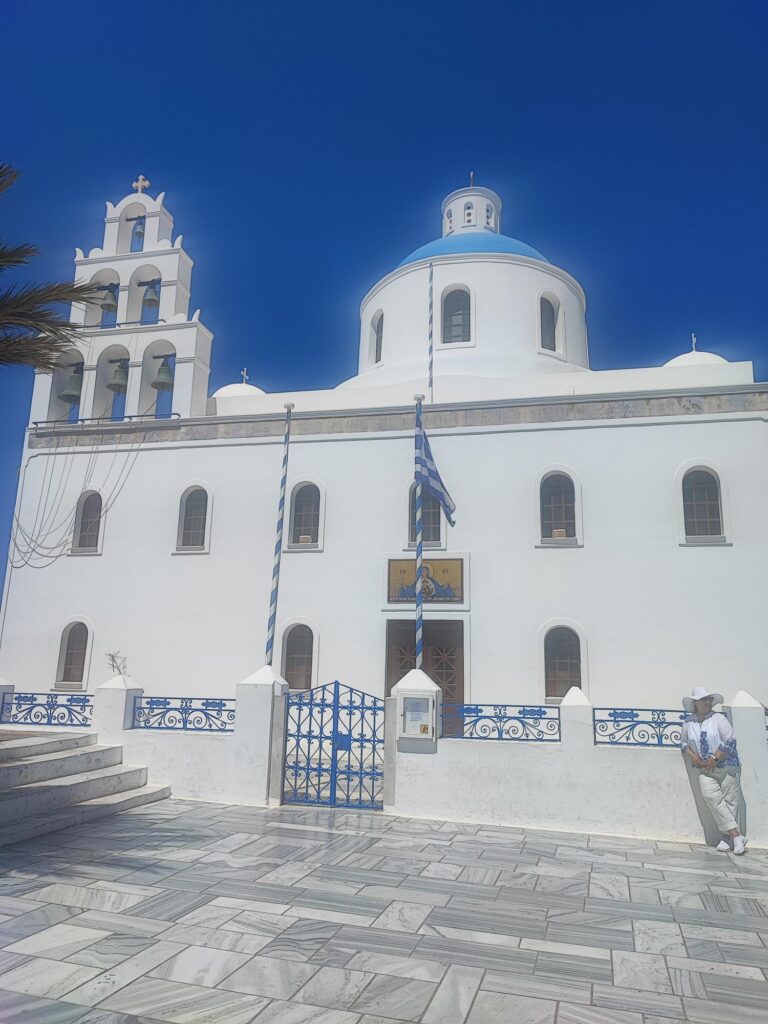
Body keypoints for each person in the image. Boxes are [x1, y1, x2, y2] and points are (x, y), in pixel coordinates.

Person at [680, 687, 747, 855]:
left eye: (709, 699)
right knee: (711, 797)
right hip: (704, 769)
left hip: (726, 765)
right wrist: (692, 755)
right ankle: (737, 835)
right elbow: (683, 743)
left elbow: (729, 740)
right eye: (703, 700)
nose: (707, 702)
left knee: (731, 801)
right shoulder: (689, 721)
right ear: (696, 703)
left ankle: (727, 838)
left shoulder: (718, 718)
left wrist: (715, 758)